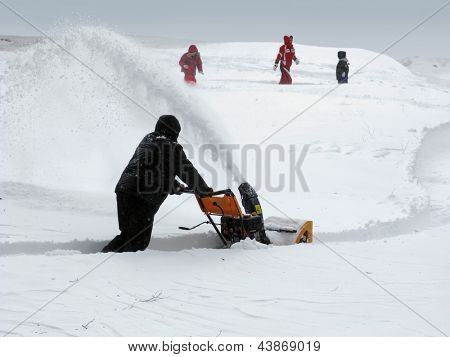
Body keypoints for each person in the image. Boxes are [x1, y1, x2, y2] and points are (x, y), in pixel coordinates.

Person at [102, 115, 212, 253]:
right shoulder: (171, 147)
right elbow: (186, 170)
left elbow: (154, 169)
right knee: (137, 243)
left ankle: (105, 259)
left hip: (125, 190)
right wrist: (203, 189)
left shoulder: (148, 140)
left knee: (128, 236)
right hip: (141, 197)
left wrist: (175, 186)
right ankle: (107, 265)